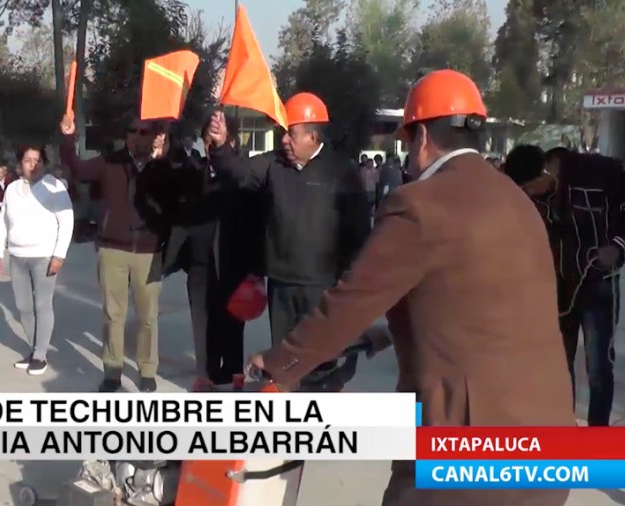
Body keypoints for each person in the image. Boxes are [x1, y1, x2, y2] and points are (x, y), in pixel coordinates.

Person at [247, 69, 574, 506]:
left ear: (420, 137)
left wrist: (278, 364)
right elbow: (481, 299)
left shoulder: (421, 203)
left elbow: (350, 300)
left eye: (405, 143)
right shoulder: (517, 201)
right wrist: (388, 329)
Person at [206, 93, 372, 351]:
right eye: (282, 132)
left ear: (312, 137)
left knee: (320, 356)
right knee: (285, 354)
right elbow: (235, 172)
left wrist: (351, 282)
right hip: (281, 284)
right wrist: (219, 145)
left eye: (290, 133)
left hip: (323, 285)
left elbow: (359, 232)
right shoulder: (273, 164)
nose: (283, 139)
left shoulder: (341, 172)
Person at [505, 144, 625, 427]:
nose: (529, 195)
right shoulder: (528, 201)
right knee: (559, 368)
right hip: (556, 289)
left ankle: (598, 436)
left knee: (598, 366)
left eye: (530, 187)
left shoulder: (599, 174)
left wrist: (618, 245)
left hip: (597, 283)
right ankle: (564, 430)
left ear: (545, 171)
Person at [59, 113, 179, 393]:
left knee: (148, 316)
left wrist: (167, 155)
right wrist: (67, 138)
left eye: (144, 131)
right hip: (113, 249)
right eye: (132, 131)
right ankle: (112, 370)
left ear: (153, 136)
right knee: (114, 314)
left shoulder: (164, 167)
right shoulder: (110, 162)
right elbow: (77, 169)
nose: (138, 136)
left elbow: (184, 188)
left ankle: (147, 369)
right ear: (126, 135)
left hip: (149, 251)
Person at [163, 117, 267, 391]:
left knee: (233, 320)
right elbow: (172, 164)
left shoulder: (243, 172)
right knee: (202, 320)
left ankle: (233, 372)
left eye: (217, 137)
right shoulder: (193, 169)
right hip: (199, 261)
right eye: (207, 139)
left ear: (230, 140)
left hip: (233, 259)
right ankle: (205, 374)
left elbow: (256, 220)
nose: (211, 144)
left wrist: (257, 265)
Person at [0, 145, 74, 375]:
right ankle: (33, 348)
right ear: (20, 164)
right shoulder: (11, 189)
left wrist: (59, 254)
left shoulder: (54, 187)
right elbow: (3, 222)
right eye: (28, 160)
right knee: (23, 307)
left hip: (44, 256)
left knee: (42, 304)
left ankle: (40, 355)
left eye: (37, 160)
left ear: (44, 163)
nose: (32, 164)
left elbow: (66, 221)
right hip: (17, 256)